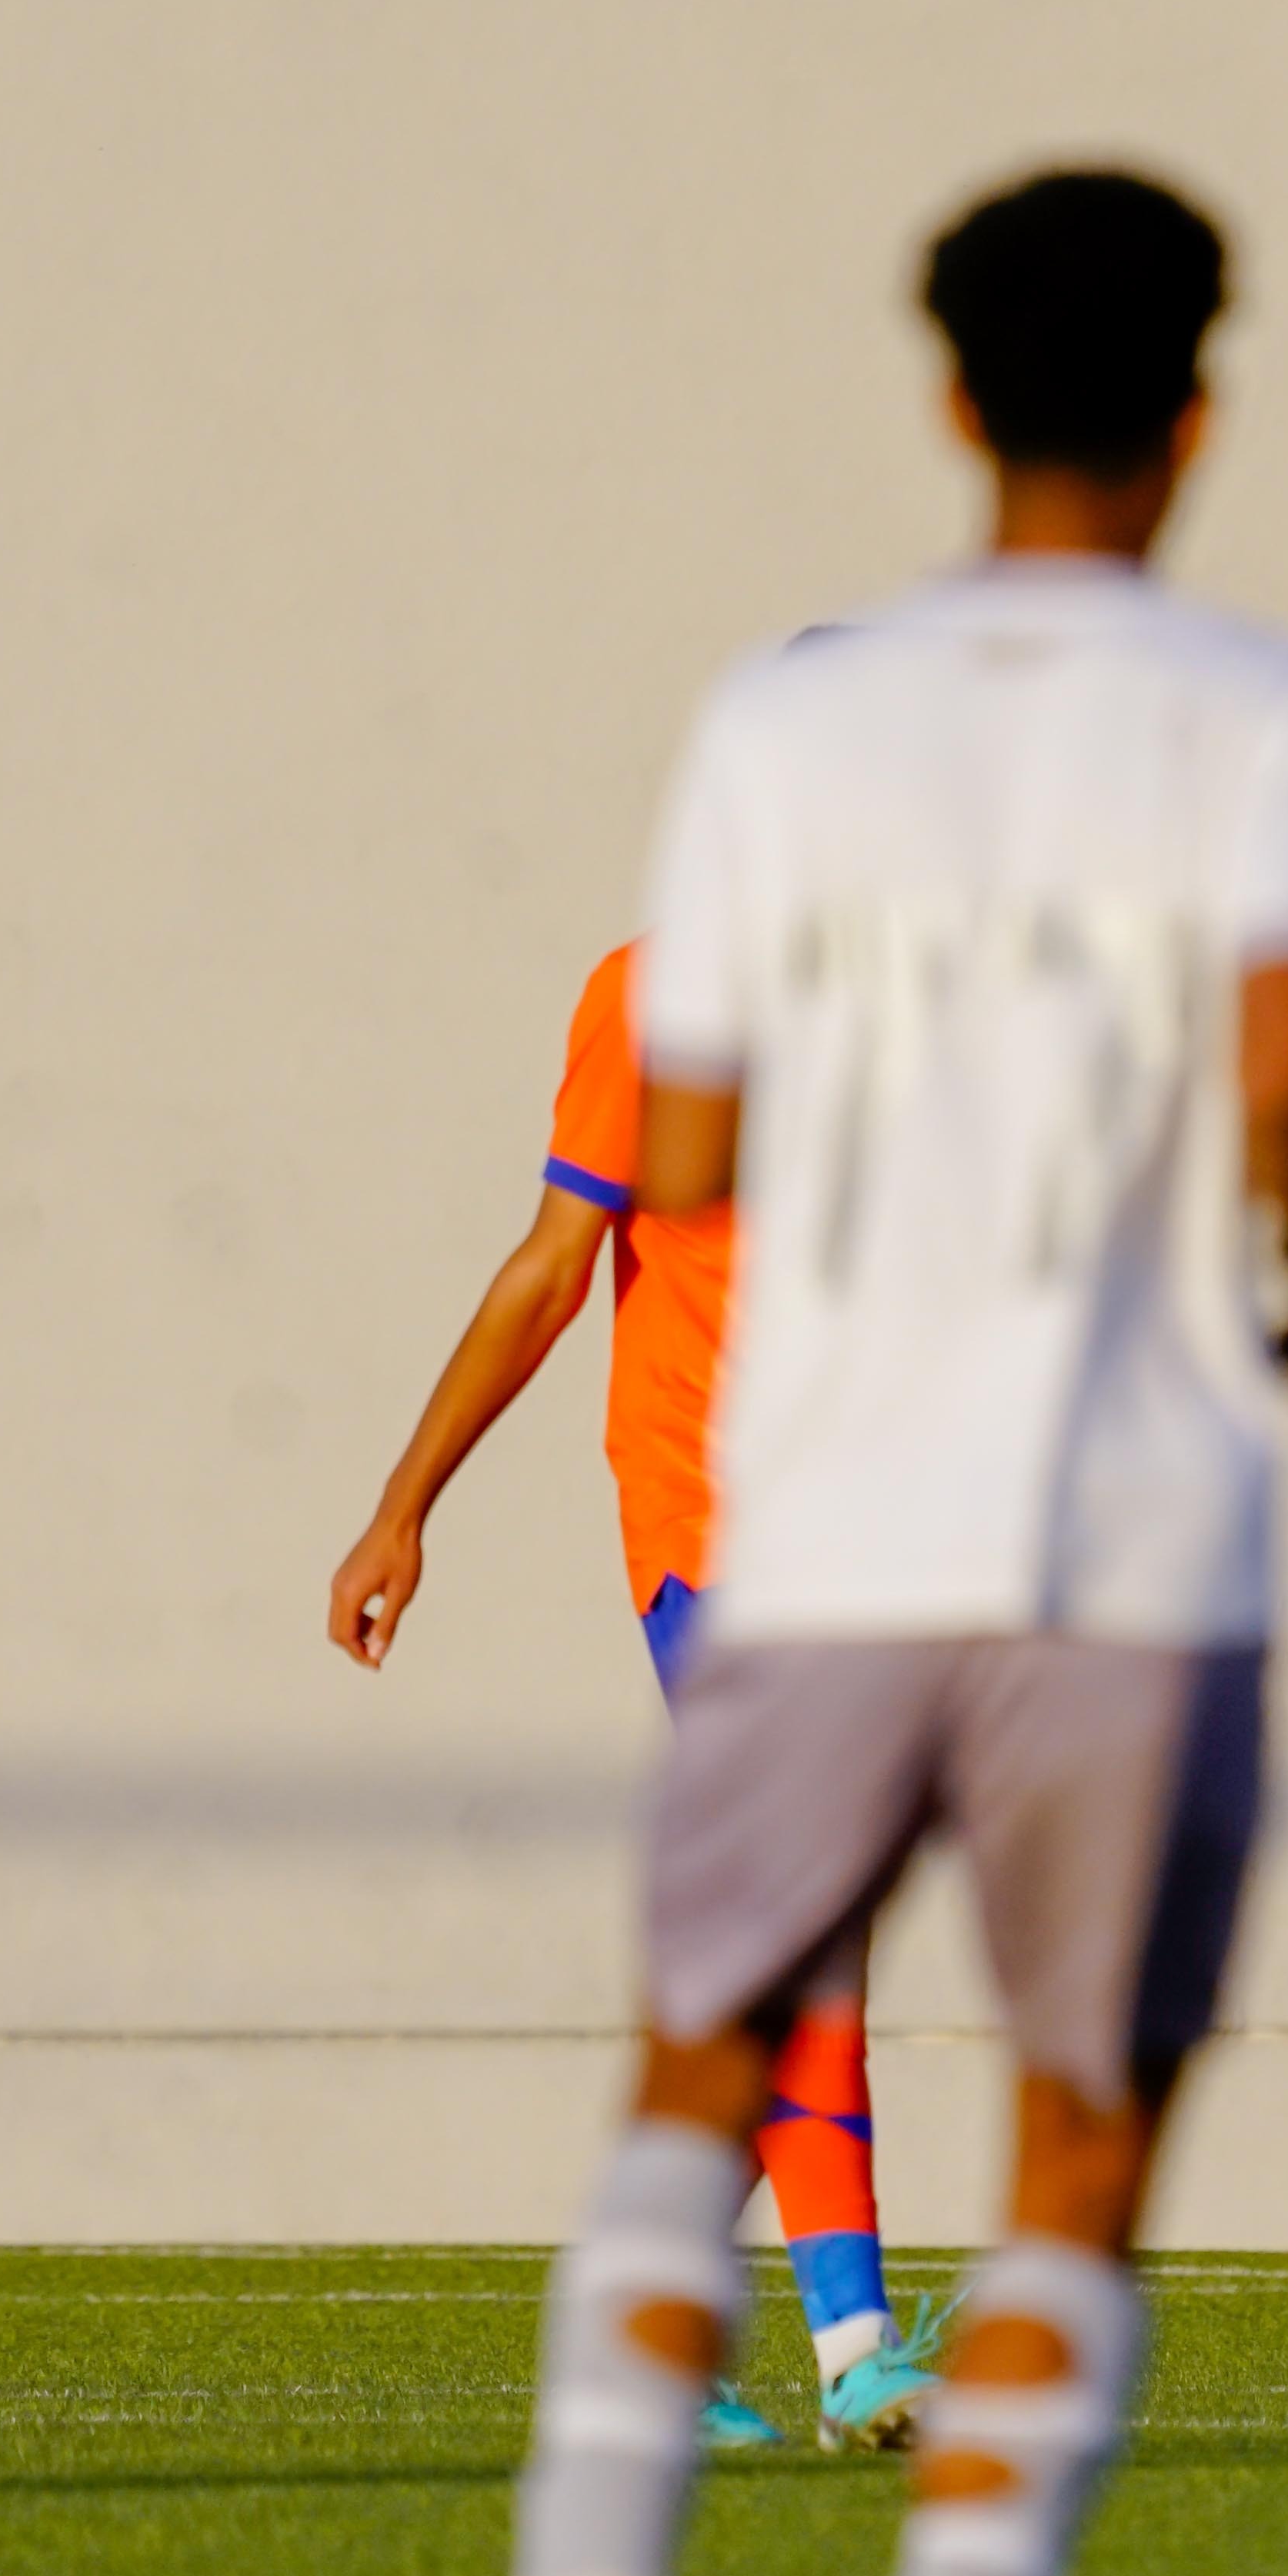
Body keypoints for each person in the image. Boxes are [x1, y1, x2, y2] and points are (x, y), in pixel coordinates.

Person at [363, 161, 1288, 2576]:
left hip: (813, 1539)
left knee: (684, 2098)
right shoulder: (1280, 716)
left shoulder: (775, 752)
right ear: (1197, 413)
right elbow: (1283, 1112)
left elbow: (673, 1163)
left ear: (946, 400)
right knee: (1076, 2170)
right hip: (1132, 1560)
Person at [329, 944, 942, 2457]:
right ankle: (856, 2348)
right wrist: (406, 1504)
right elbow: (549, 1265)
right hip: (712, 1522)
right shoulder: (658, 994)